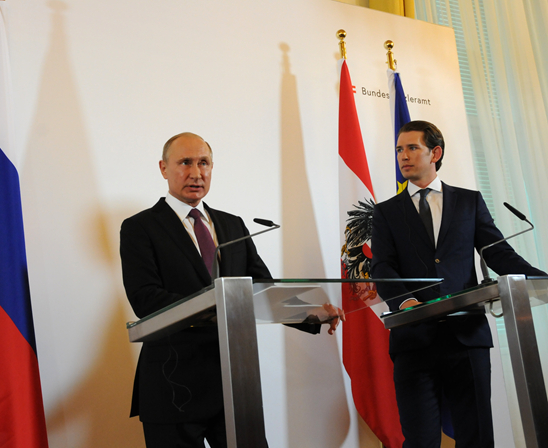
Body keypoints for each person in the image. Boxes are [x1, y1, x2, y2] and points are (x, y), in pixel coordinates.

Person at [120, 132, 344, 448]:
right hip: (173, 384)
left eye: (204, 163)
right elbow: (146, 298)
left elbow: (262, 289)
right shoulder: (140, 227)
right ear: (163, 168)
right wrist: (219, 305)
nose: (196, 173)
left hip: (234, 382)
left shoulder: (232, 225)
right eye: (185, 162)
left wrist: (308, 313)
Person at [370, 121, 546, 448]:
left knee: (476, 437)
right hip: (413, 342)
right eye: (399, 149)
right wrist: (406, 303)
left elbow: (498, 252)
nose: (403, 156)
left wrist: (540, 280)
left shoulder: (469, 202)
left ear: (435, 153)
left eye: (412, 148)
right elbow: (382, 267)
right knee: (420, 441)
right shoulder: (385, 213)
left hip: (466, 338)